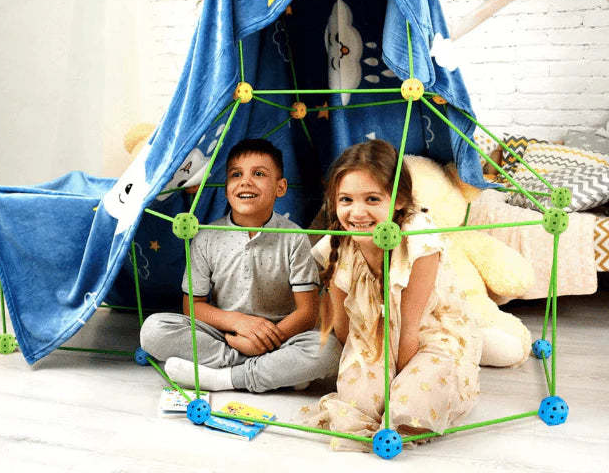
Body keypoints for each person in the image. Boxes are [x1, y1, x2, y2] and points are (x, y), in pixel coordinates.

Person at [304, 139, 482, 450]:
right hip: (374, 335)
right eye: (346, 200)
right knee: (359, 405)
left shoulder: (418, 237)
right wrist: (370, 372)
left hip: (427, 335)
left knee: (411, 402)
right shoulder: (340, 242)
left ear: (399, 200)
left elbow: (410, 329)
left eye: (372, 199)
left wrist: (399, 382)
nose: (357, 212)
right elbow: (343, 328)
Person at [140, 138, 342, 392]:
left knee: (329, 350)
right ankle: (266, 371)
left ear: (280, 187)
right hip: (225, 335)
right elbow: (192, 307)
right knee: (153, 330)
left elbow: (307, 313)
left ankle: (223, 378)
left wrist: (266, 340)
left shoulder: (294, 237)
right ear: (227, 188)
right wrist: (238, 324)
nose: (245, 181)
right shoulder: (206, 237)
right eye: (236, 174)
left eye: (259, 174)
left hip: (281, 337)